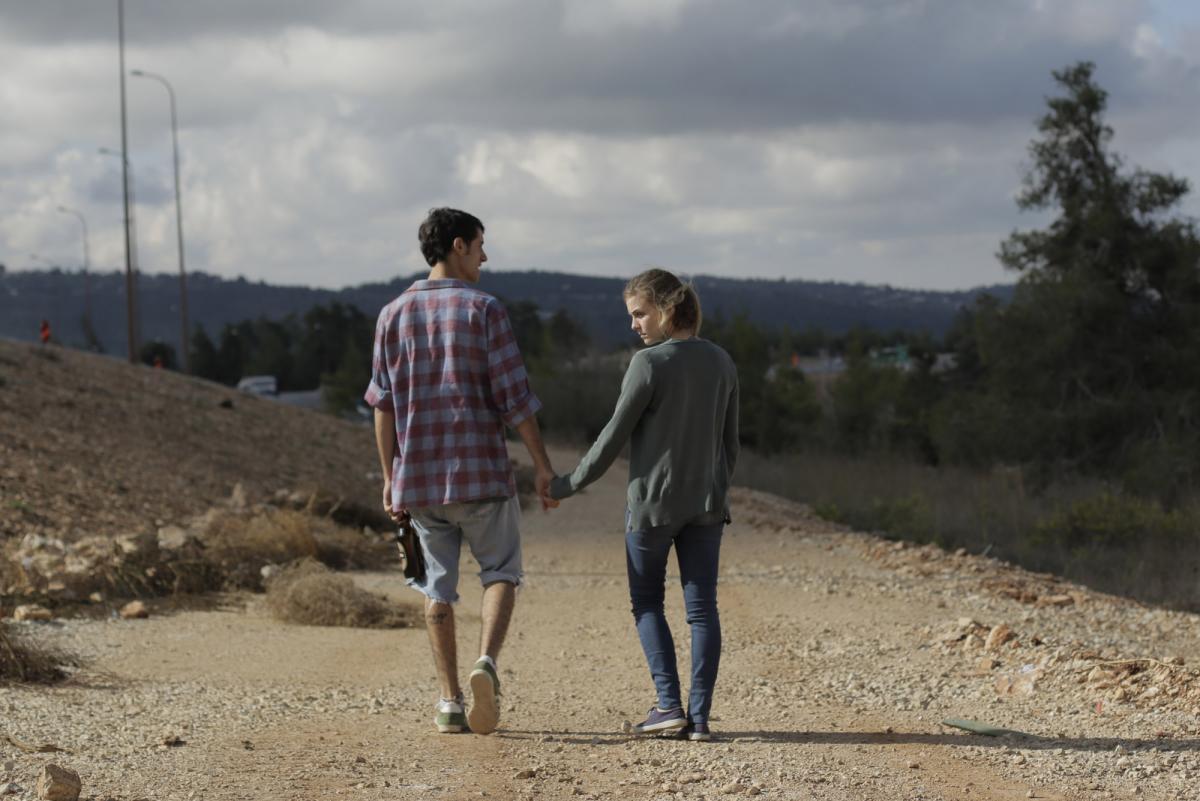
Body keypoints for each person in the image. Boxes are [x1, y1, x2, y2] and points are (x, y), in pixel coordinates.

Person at [364, 207, 555, 736]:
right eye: (479, 245)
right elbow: (514, 398)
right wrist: (541, 466)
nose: (485, 256)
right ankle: (485, 664)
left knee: (436, 589)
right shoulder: (486, 310)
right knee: (500, 572)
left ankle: (449, 701)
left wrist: (389, 476)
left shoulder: (391, 314)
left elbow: (382, 406)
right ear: (457, 246)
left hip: (419, 481)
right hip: (482, 477)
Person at [547, 268, 739, 742]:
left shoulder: (649, 364)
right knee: (702, 611)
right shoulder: (722, 362)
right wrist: (712, 488)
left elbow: (612, 438)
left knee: (647, 602)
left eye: (640, 313)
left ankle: (668, 706)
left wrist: (563, 486)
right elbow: (730, 446)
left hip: (653, 508)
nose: (635, 324)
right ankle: (699, 720)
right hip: (707, 506)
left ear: (666, 310)